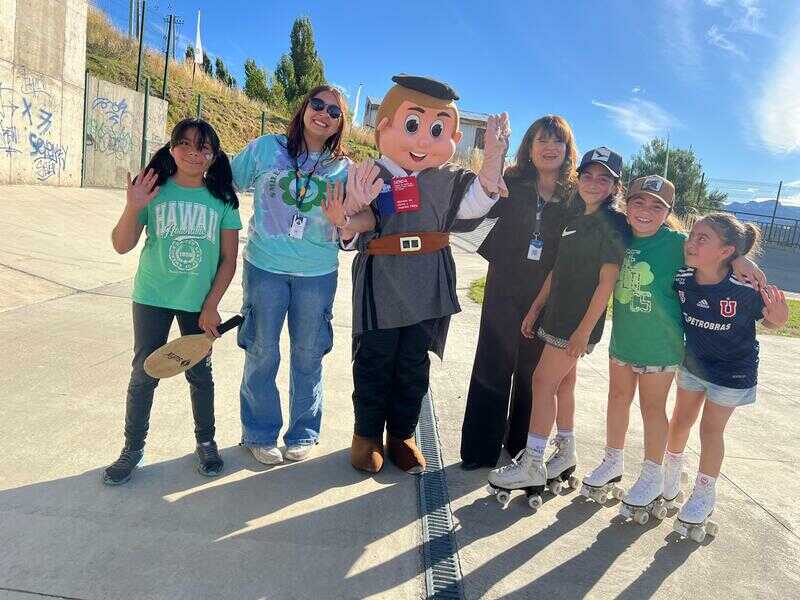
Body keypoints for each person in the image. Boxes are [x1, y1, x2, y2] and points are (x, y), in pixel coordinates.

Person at [343, 74, 510, 474]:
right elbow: (348, 233)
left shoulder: (449, 179)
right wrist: (348, 213)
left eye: (437, 130)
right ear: (384, 126)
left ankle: (401, 435)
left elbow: (476, 204)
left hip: (428, 284)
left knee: (414, 364)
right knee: (374, 361)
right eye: (413, 124)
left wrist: (492, 161)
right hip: (381, 283)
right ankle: (366, 436)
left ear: (453, 137)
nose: (423, 140)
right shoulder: (368, 173)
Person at [581, 177, 765, 514]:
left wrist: (740, 259)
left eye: (657, 206)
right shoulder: (619, 235)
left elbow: (713, 254)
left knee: (652, 409)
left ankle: (652, 475)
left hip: (661, 346)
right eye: (638, 202)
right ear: (626, 204)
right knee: (617, 400)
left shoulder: (678, 243)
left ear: (668, 213)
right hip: (624, 339)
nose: (645, 210)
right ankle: (613, 461)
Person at [230, 85, 375, 466]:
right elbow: (226, 181)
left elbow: (369, 218)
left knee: (309, 356)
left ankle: (303, 432)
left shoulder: (345, 168)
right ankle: (259, 433)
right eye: (317, 104)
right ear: (304, 106)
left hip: (317, 274)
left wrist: (344, 220)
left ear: (341, 124)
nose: (323, 114)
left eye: (334, 112)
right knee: (261, 352)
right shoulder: (266, 148)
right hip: (265, 269)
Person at [103, 117, 242, 485]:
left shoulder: (223, 199)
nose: (193, 153)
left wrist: (211, 305)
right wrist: (133, 206)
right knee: (144, 372)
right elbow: (121, 245)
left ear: (214, 155)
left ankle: (206, 442)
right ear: (171, 147)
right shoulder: (153, 190)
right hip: (152, 296)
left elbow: (229, 259)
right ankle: (132, 449)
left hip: (198, 303)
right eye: (185, 144)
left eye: (203, 147)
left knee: (200, 374)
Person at [487, 147, 628, 502]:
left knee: (541, 381)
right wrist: (535, 309)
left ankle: (533, 461)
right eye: (588, 175)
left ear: (615, 186)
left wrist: (584, 332)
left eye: (604, 179)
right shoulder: (575, 217)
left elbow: (607, 283)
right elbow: (556, 270)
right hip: (556, 317)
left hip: (576, 324)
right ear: (578, 179)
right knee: (564, 384)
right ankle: (565, 452)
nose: (593, 183)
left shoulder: (613, 223)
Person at [459, 115, 578, 470]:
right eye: (541, 140)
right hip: (504, 283)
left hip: (547, 291)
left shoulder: (573, 196)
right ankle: (479, 449)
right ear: (529, 146)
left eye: (557, 141)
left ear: (567, 149)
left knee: (532, 372)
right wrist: (494, 157)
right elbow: (479, 210)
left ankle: (521, 448)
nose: (549, 147)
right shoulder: (512, 181)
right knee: (492, 361)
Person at [666, 214, 788, 539]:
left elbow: (773, 319)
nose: (691, 243)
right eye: (692, 235)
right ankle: (671, 474)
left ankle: (704, 493)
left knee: (710, 430)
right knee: (679, 421)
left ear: (726, 251)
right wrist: (738, 257)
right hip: (694, 365)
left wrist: (778, 318)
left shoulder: (745, 288)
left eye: (702, 238)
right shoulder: (682, 277)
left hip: (732, 371)